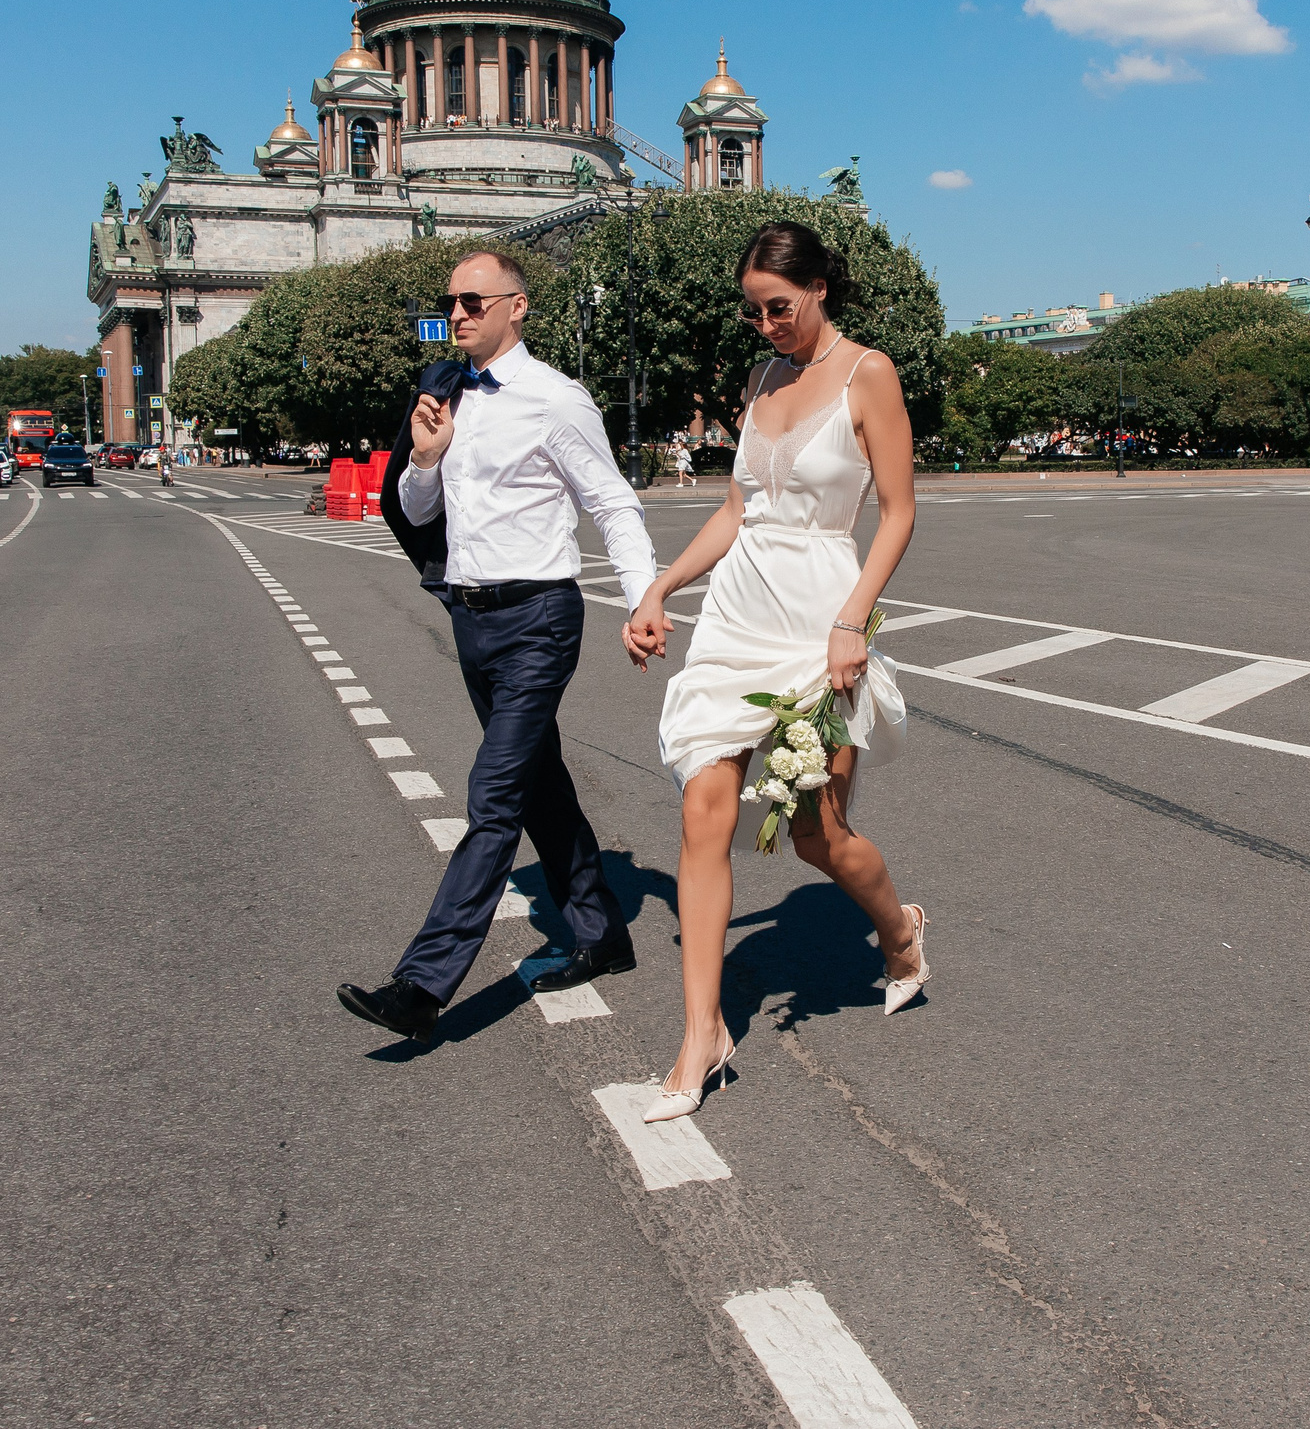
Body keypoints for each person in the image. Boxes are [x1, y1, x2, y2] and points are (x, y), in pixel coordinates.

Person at [623, 221, 924, 1124]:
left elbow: (900, 514)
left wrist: (850, 622)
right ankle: (701, 1033)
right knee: (701, 810)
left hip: (820, 614)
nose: (766, 327)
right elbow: (737, 511)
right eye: (755, 312)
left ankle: (901, 933)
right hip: (739, 614)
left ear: (821, 286)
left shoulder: (870, 374)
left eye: (780, 308)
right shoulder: (759, 378)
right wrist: (663, 582)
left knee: (814, 836)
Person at [338, 250, 657, 1043]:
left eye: (474, 300)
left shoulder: (556, 399)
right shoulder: (443, 394)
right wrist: (422, 456)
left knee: (493, 794)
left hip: (540, 618)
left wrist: (644, 595)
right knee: (537, 784)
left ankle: (423, 983)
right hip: (471, 616)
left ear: (518, 307)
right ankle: (600, 930)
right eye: (451, 301)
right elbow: (415, 509)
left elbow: (613, 504)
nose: (459, 313)